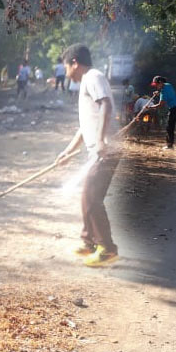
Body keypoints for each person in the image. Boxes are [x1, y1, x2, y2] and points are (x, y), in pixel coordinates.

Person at [56, 44, 119, 267]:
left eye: (66, 66)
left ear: (74, 62)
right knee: (87, 196)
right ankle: (89, 243)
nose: (65, 72)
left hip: (106, 149)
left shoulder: (93, 77)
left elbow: (106, 105)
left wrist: (101, 139)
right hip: (98, 150)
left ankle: (107, 249)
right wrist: (68, 151)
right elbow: (84, 127)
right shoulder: (87, 82)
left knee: (92, 197)